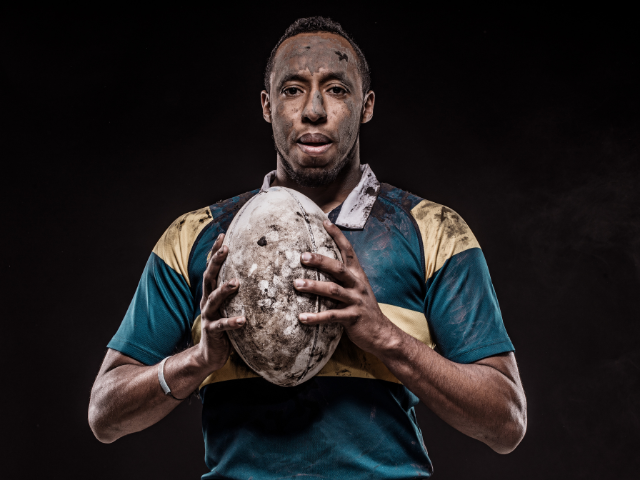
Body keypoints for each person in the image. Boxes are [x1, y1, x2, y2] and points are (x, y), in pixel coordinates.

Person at [89, 16, 527, 479]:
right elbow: (105, 415)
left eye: (337, 89)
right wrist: (198, 361)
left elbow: (506, 423)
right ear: (267, 105)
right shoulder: (197, 236)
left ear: (366, 106)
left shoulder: (433, 231)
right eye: (292, 89)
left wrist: (386, 338)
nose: (314, 110)